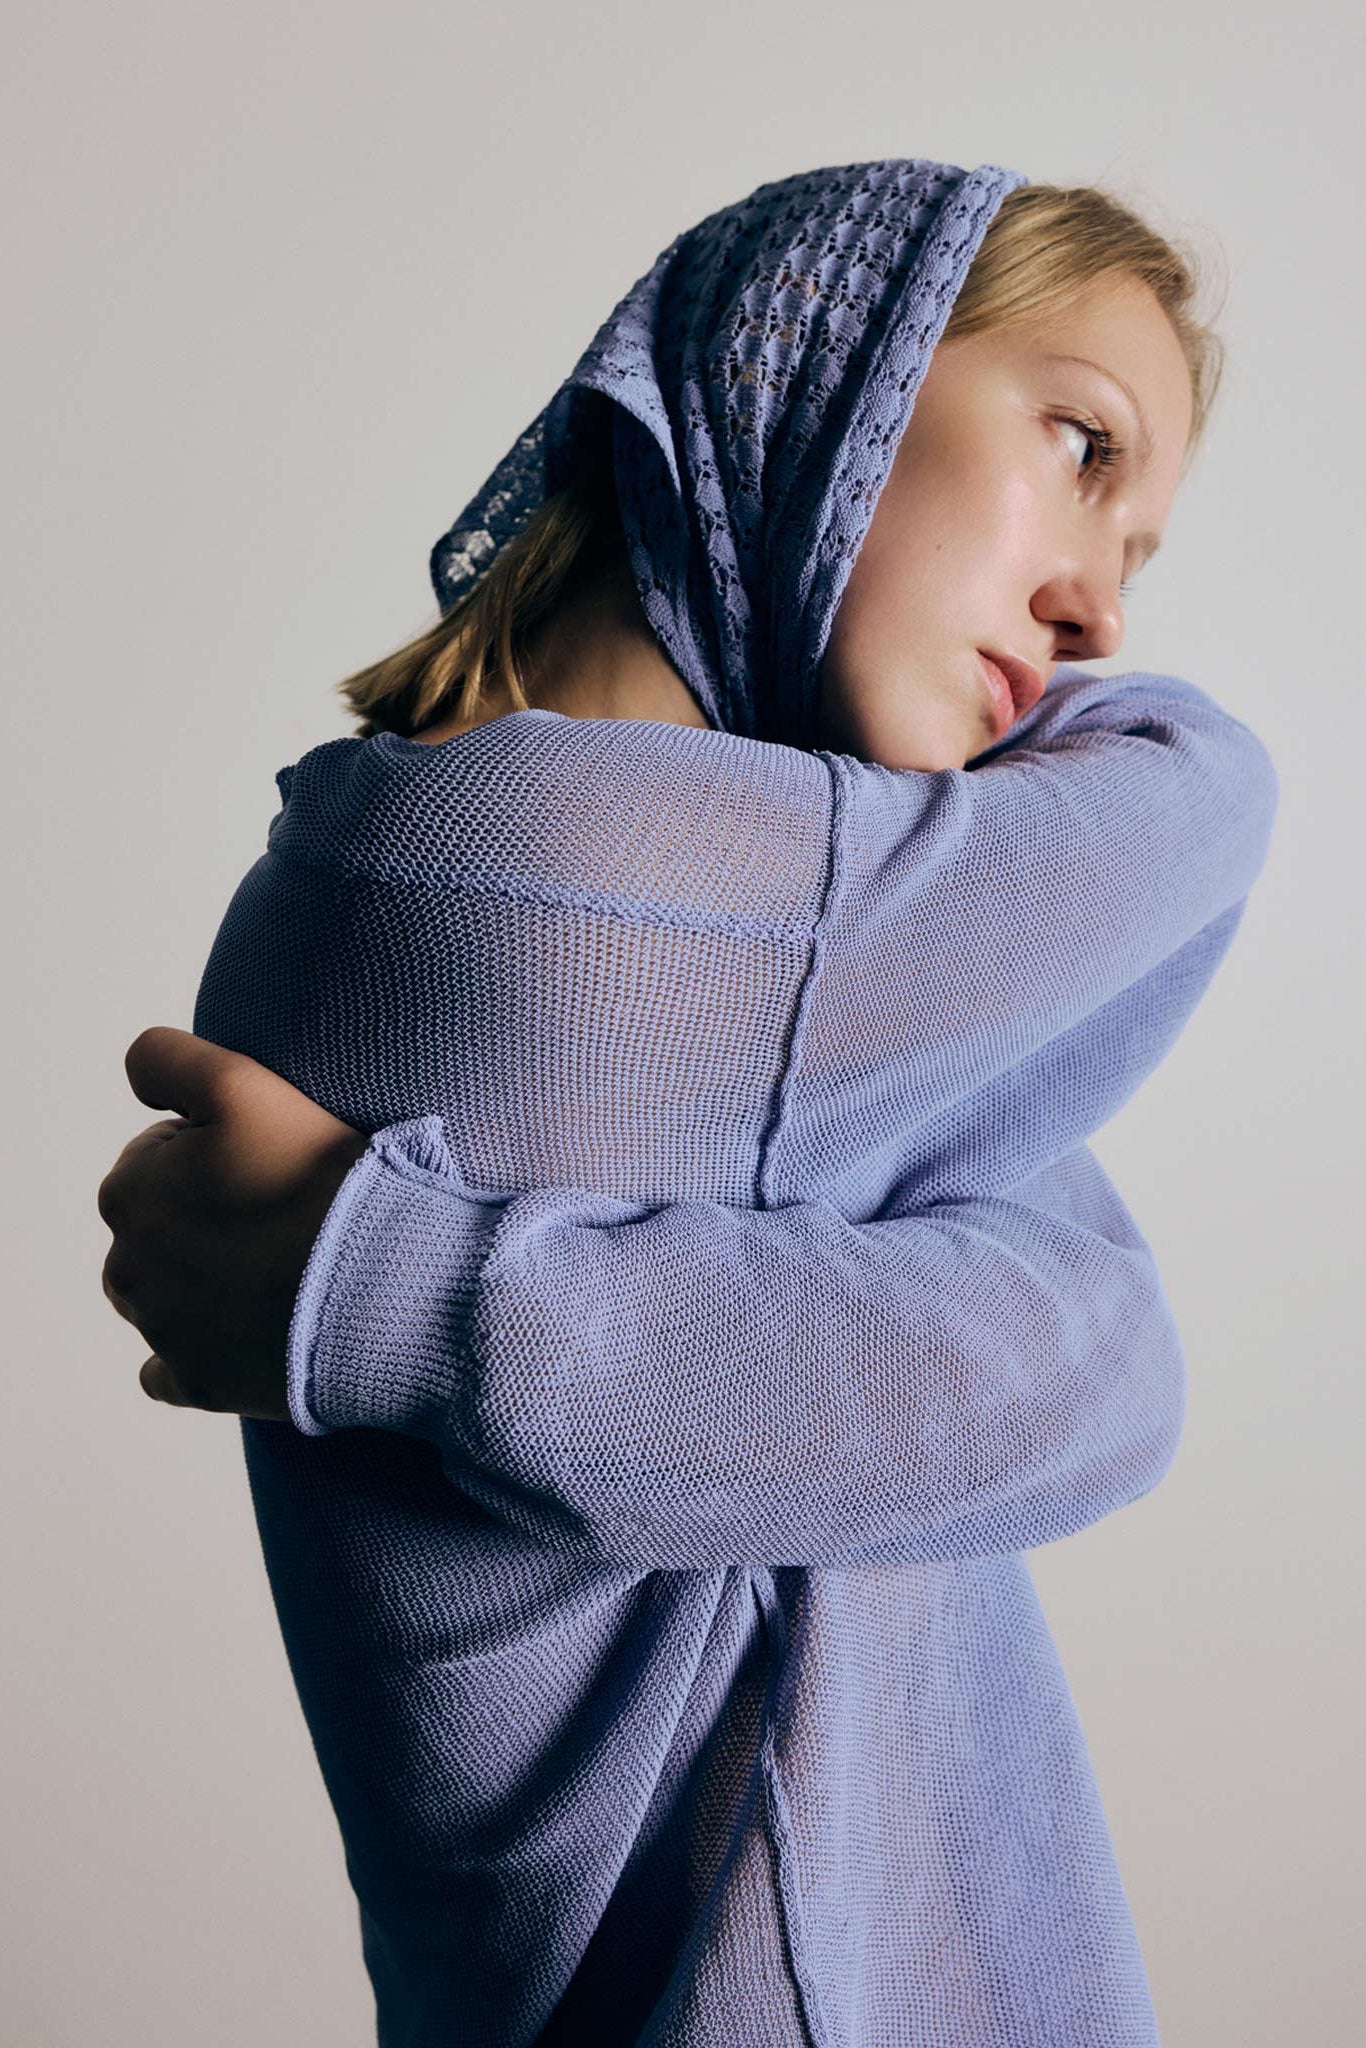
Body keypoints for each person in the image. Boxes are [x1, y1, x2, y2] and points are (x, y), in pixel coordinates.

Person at [99, 159, 1277, 2045]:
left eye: (1137, 548)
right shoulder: (589, 885)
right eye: (1078, 446)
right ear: (826, 377)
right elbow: (1106, 1352)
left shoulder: (399, 848)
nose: (1095, 614)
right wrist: (404, 1292)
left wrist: (388, 1284)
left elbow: (1063, 1345)